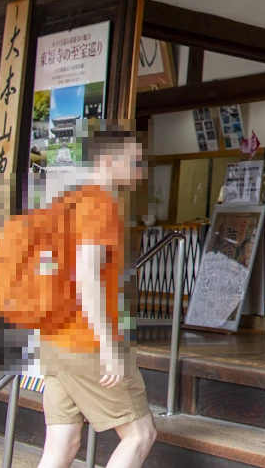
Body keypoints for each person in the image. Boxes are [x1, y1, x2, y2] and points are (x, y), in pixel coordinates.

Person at [37, 130, 157, 468]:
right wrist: (109, 346)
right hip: (87, 340)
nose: (139, 170)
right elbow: (86, 276)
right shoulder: (101, 204)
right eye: (133, 161)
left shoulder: (65, 202)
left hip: (55, 337)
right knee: (139, 434)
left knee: (62, 441)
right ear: (106, 160)